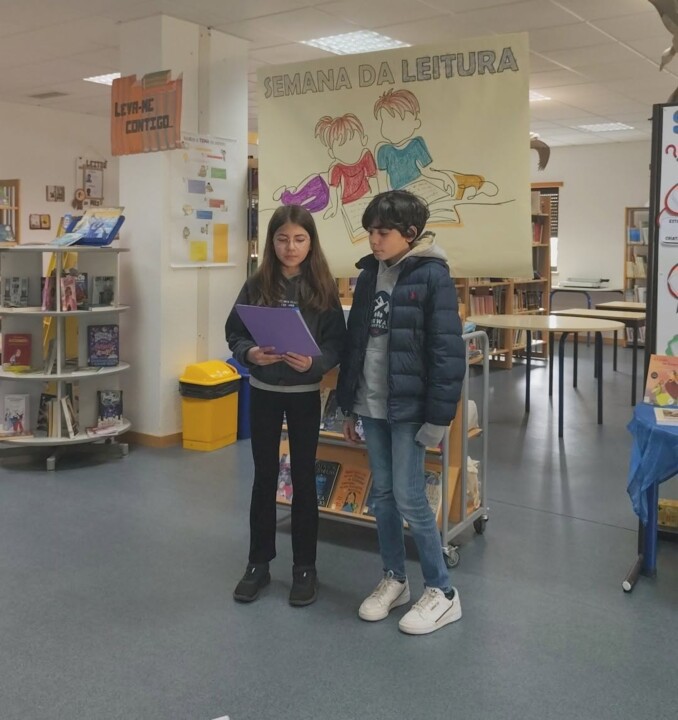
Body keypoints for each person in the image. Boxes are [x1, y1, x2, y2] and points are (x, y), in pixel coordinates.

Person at [336, 189, 466, 635]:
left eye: (383, 232)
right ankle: (395, 577)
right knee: (384, 496)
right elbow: (356, 344)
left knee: (411, 497)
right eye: (370, 232)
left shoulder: (433, 276)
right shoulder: (368, 274)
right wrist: (348, 406)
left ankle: (443, 591)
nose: (374, 240)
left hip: (409, 409)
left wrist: (438, 418)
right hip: (370, 404)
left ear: (410, 234)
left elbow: (447, 354)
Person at [226, 204, 346, 607]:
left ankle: (305, 567)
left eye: (298, 239)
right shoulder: (256, 283)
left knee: (304, 480)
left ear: (311, 243)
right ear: (271, 242)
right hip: (263, 390)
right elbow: (235, 332)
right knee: (263, 478)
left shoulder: (323, 287)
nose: (290, 247)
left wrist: (315, 363)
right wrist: (249, 353)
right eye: (282, 239)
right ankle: (258, 563)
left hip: (304, 395)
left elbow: (336, 344)